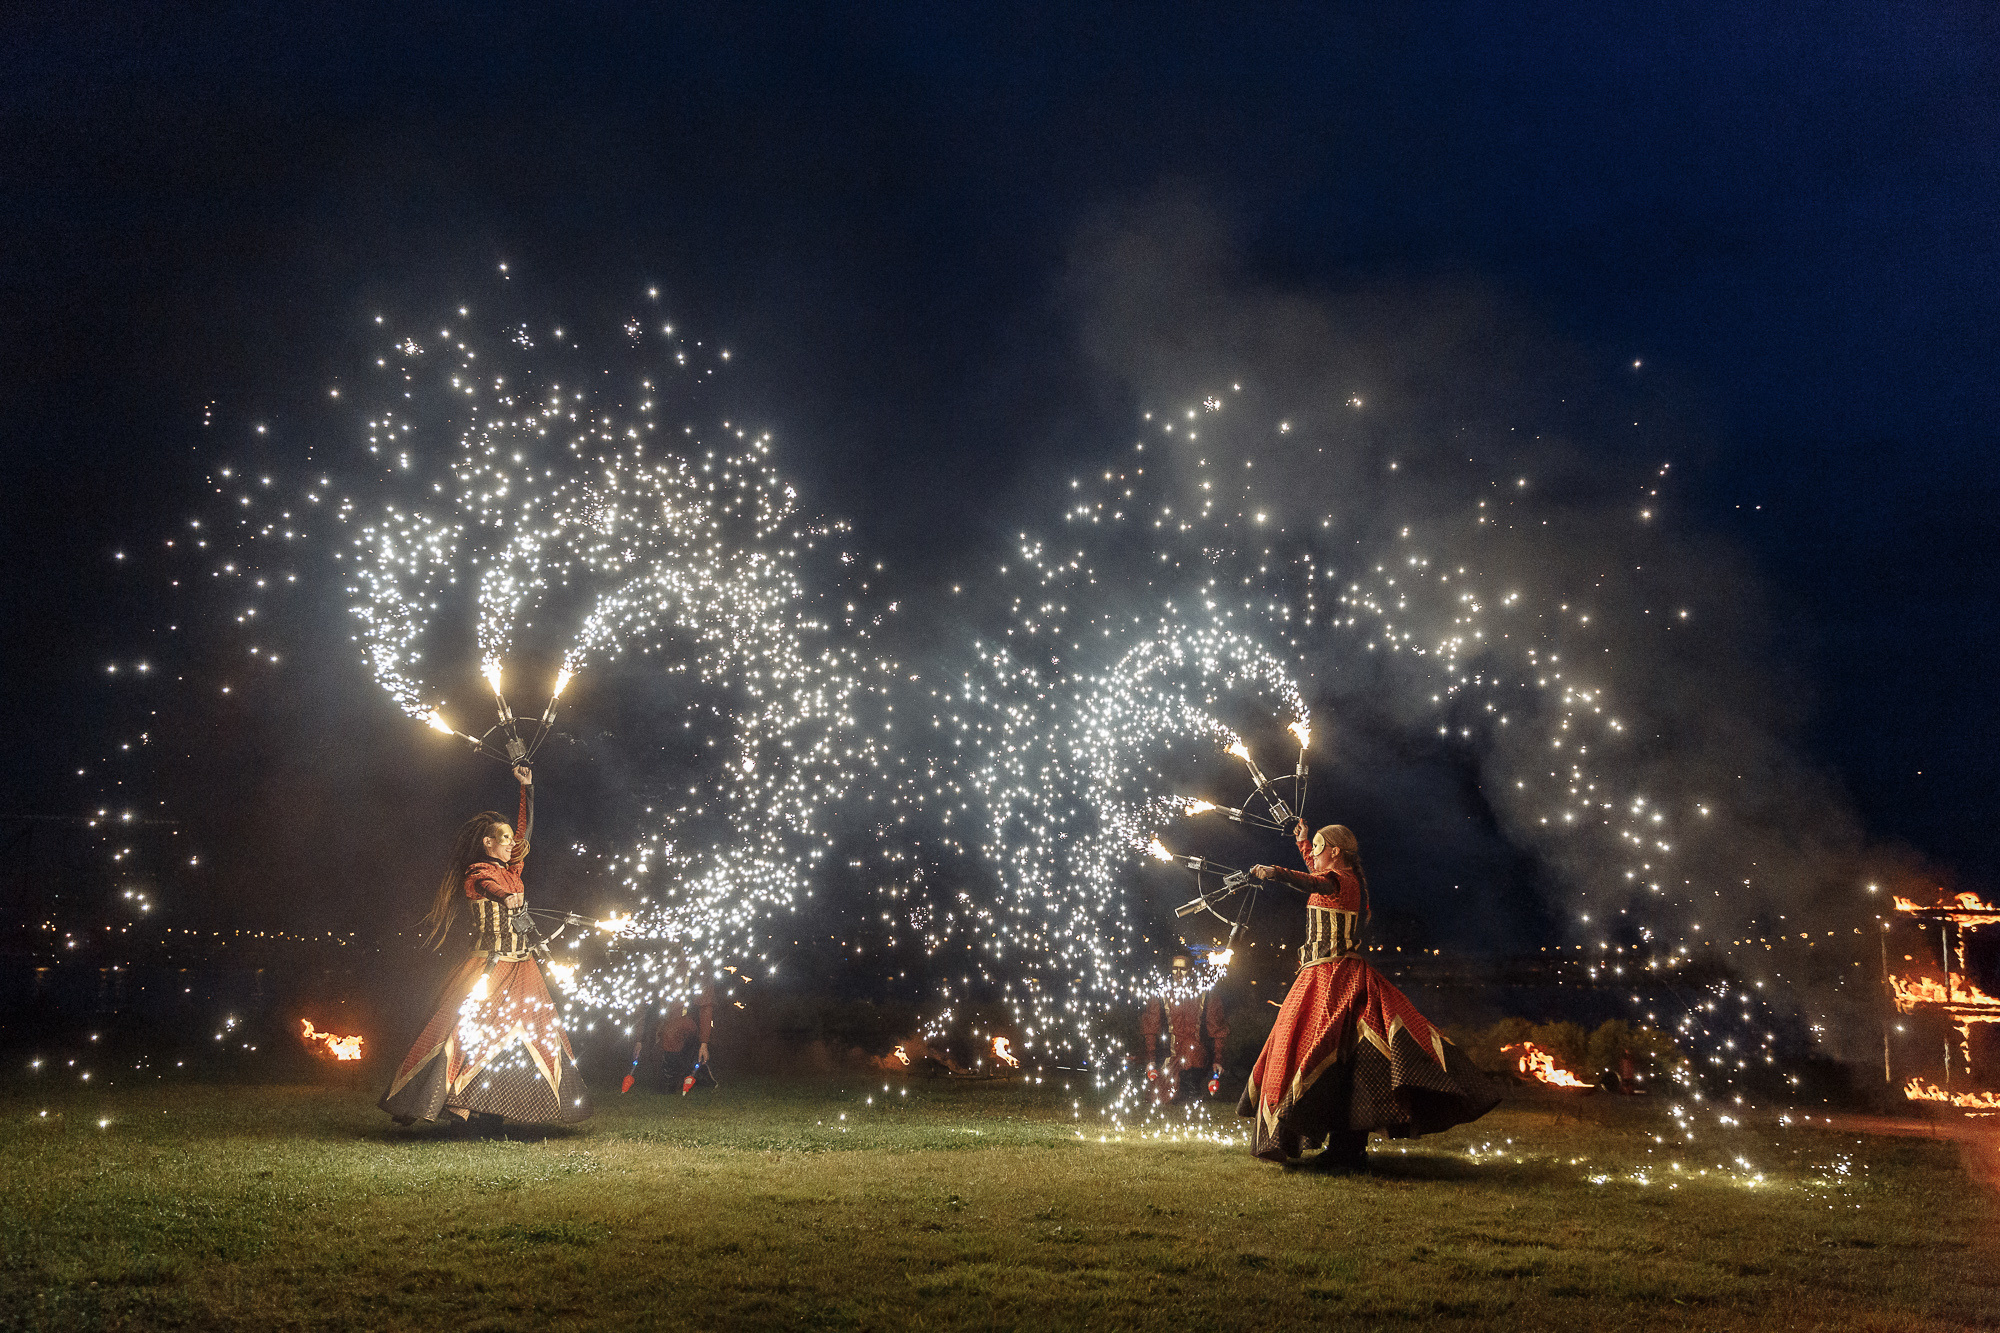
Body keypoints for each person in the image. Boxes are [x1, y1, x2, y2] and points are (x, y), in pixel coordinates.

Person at [1239, 819, 1494, 1167]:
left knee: (1335, 1054)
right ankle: (1343, 1147)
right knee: (1328, 1054)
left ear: (1335, 851)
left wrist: (1275, 872)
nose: (1312, 854)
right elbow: (1314, 871)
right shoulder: (1338, 878)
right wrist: (1301, 841)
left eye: (1316, 847)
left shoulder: (1343, 882)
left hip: (1335, 978)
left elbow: (1311, 879)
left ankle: (1346, 1149)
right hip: (1321, 975)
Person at [380, 765, 593, 1130]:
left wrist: (527, 790)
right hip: (490, 967)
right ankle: (445, 1102)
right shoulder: (479, 872)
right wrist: (504, 897)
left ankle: (492, 1105)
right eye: (504, 838)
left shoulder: (512, 870)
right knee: (464, 1031)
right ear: (488, 843)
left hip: (522, 965)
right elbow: (485, 888)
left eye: (511, 838)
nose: (512, 842)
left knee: (537, 1030)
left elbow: (524, 834)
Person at [1141, 952, 1230, 1102]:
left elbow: (1217, 1029)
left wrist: (1218, 1059)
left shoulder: (1203, 993)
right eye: (1175, 968)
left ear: (1190, 970)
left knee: (1191, 1048)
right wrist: (1151, 1059)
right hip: (1171, 1058)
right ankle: (1181, 1091)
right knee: (1160, 1095)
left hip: (1197, 1057)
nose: (1178, 973)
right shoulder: (1162, 994)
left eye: (1183, 969)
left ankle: (1192, 1090)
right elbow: (1151, 1027)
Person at [653, 988, 715, 1093]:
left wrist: (704, 1043)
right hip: (673, 1028)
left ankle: (696, 1074)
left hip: (688, 1027)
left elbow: (706, 1008)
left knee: (685, 1046)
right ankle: (680, 1078)